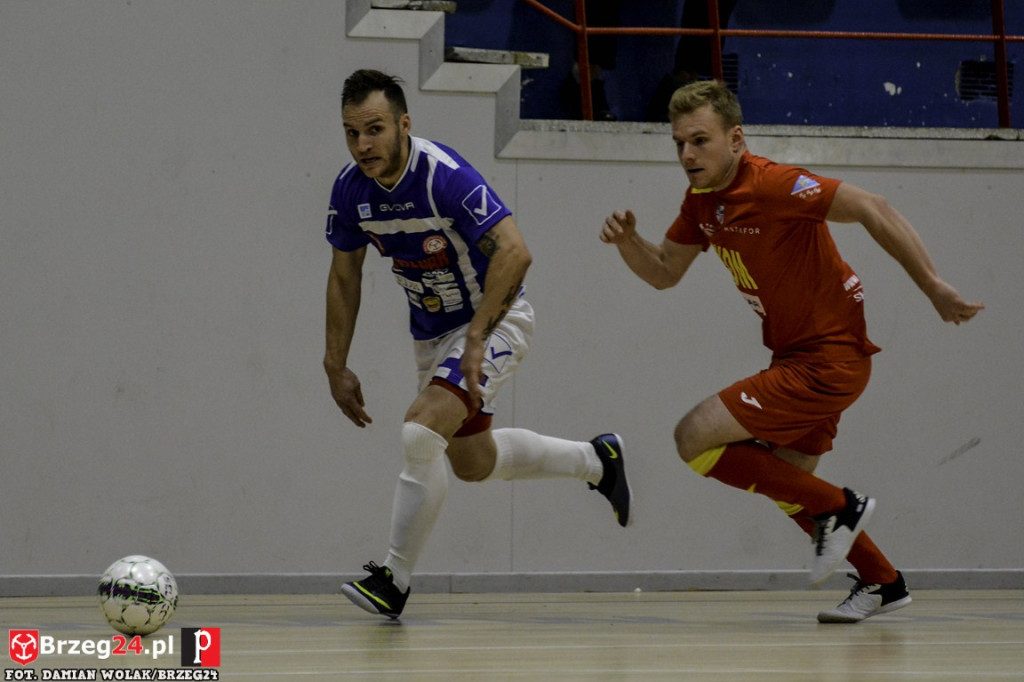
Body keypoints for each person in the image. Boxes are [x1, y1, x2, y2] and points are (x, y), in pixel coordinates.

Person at [600, 80, 983, 623]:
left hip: (827, 359)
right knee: (787, 481)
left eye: (700, 141)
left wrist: (933, 285)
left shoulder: (774, 184)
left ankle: (842, 506)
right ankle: (883, 582)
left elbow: (872, 207)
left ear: (736, 139)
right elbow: (664, 271)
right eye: (679, 143)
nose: (686, 154)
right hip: (797, 358)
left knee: (693, 437)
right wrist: (627, 243)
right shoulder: (702, 203)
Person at [324, 69, 632, 619]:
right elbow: (345, 275)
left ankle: (393, 579)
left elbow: (515, 252)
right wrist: (335, 363)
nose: (363, 144)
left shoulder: (444, 177)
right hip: (433, 335)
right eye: (352, 133)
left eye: (374, 129)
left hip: (495, 320)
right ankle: (597, 461)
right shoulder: (351, 190)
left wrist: (476, 335)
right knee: (472, 463)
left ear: (403, 124)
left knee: (420, 430)